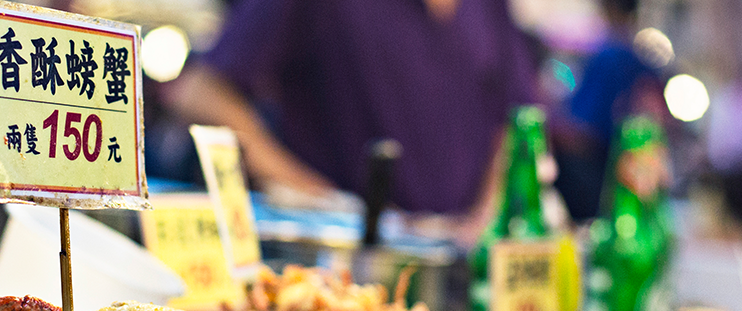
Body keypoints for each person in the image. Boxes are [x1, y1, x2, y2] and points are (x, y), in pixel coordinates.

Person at [171, 0, 538, 246]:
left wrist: (483, 221)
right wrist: (309, 192)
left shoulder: (488, 8)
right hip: (333, 258)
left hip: (447, 264)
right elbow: (202, 93)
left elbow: (518, 123)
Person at [555, 0, 663, 223]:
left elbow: (583, 129)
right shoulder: (642, 60)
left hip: (596, 174)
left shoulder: (608, 56)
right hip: (628, 173)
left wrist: (553, 126)